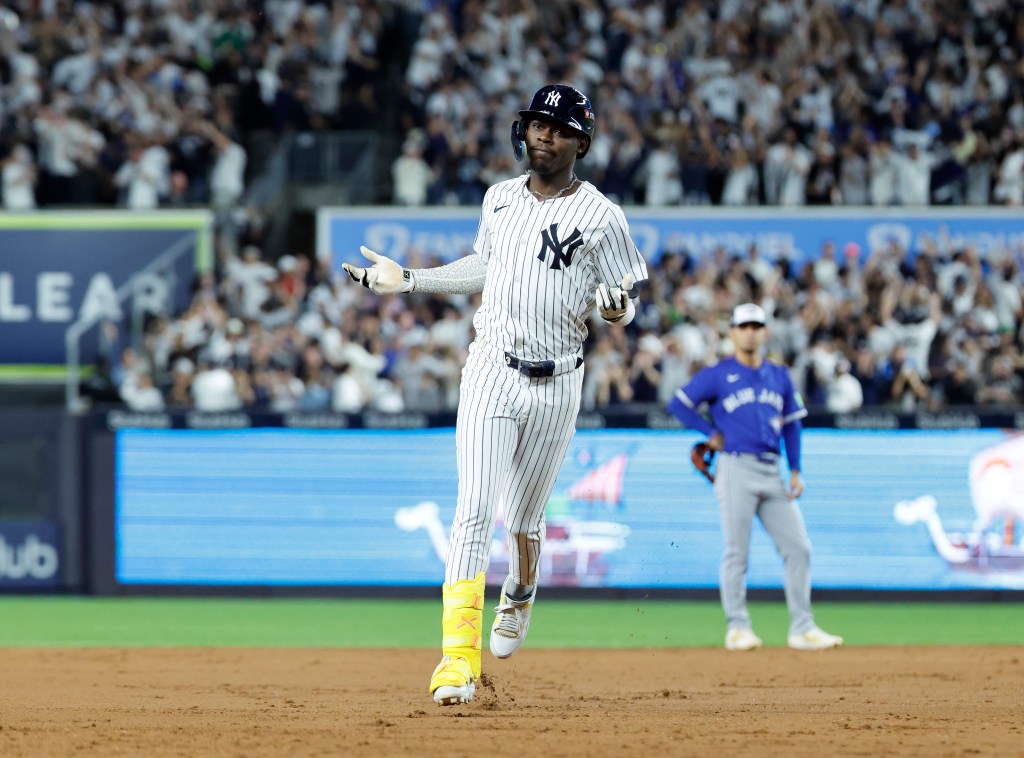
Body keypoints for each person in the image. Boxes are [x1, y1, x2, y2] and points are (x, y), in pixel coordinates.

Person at [341, 84, 648, 705]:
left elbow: (624, 299)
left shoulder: (602, 216)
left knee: (527, 521)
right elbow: (487, 267)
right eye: (538, 124)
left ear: (580, 143)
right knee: (475, 508)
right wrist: (410, 280)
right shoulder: (499, 199)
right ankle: (456, 662)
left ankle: (521, 593)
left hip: (560, 379)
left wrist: (617, 310)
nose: (544, 135)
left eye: (559, 129)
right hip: (491, 370)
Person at [666, 303, 842, 652]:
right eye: (743, 326)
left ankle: (802, 628)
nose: (749, 331)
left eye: (755, 326)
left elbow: (792, 425)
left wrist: (795, 469)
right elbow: (678, 404)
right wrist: (708, 431)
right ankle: (737, 628)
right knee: (737, 552)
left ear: (765, 332)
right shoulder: (718, 374)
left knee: (798, 547)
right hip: (735, 467)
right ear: (732, 332)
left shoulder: (779, 376)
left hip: (772, 469)